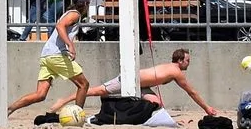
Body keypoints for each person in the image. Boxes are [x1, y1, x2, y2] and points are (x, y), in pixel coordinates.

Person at [9, 0, 92, 117]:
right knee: (83, 84)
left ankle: (10, 109)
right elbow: (59, 26)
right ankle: (77, 116)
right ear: (85, 4)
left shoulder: (69, 13)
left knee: (40, 94)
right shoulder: (75, 14)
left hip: (46, 56)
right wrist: (70, 45)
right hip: (56, 55)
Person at [93, 48, 224, 118]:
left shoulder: (171, 68)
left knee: (157, 104)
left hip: (143, 86)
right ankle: (74, 97)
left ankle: (137, 116)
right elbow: (191, 92)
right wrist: (206, 108)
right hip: (131, 79)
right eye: (187, 60)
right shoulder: (176, 72)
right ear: (180, 61)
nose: (189, 63)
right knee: (97, 91)